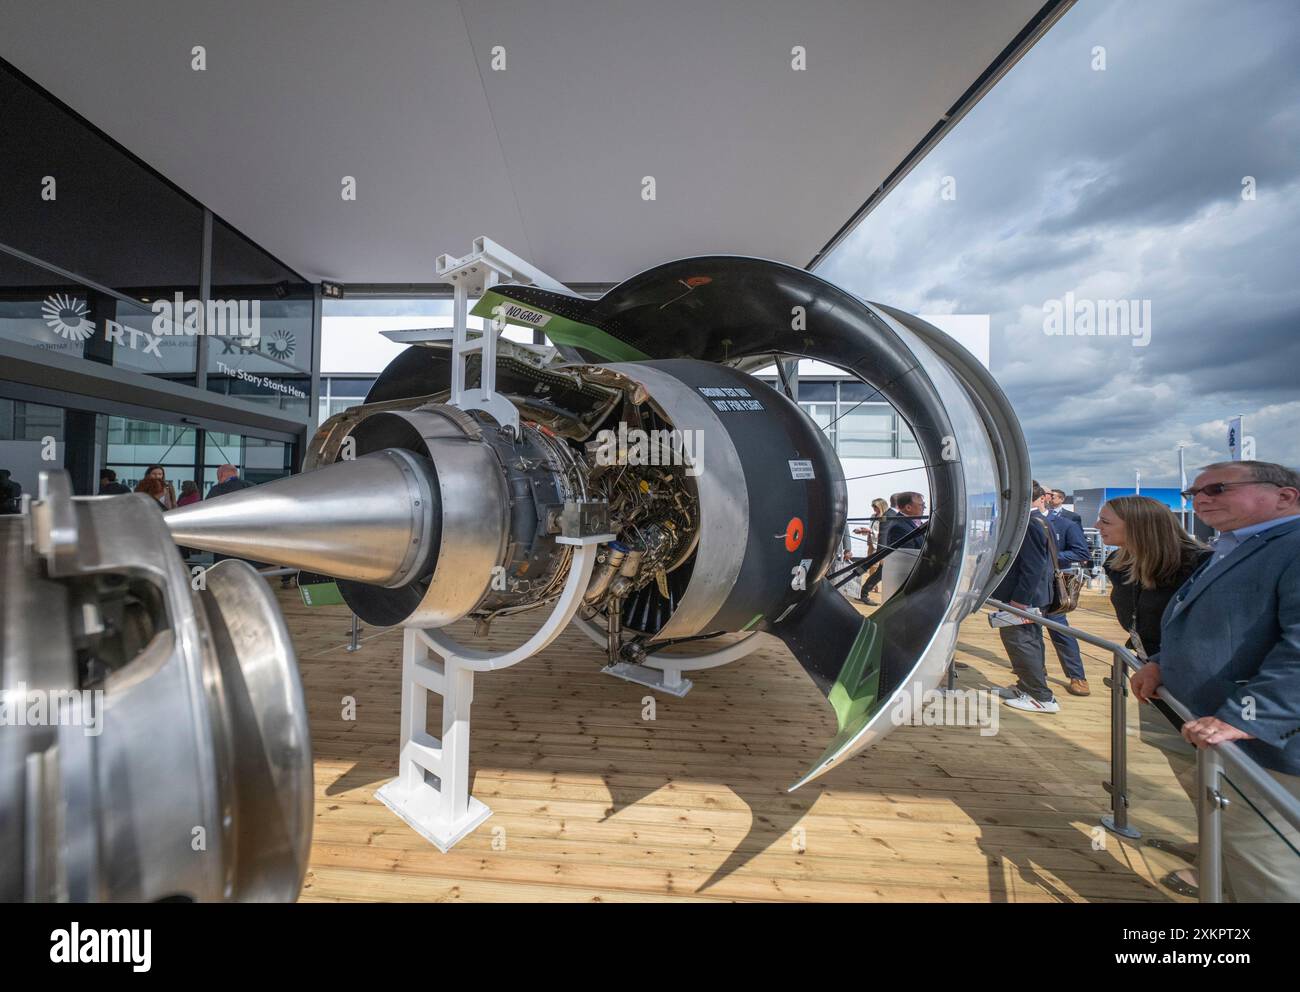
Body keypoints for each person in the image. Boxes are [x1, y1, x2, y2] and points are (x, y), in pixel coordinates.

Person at [1131, 460, 1300, 902]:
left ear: (1286, 496)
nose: (1201, 499)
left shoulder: (1292, 546)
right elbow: (1223, 623)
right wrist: (1164, 662)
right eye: (1194, 492)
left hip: (1264, 743)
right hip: (1209, 726)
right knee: (1236, 844)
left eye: (1219, 488)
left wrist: (1248, 719)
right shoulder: (1240, 544)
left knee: (1268, 865)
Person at [1097, 494, 1210, 895]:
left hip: (1196, 687)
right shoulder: (1123, 564)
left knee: (1216, 779)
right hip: (1158, 683)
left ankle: (1222, 868)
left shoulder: (1196, 566)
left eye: (1106, 521)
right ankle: (1213, 846)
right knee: (1190, 772)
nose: (1099, 527)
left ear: (1139, 526)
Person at [993, 482, 1058, 713]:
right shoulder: (1039, 520)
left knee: (1022, 643)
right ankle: (1028, 687)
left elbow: (1033, 566)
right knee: (1030, 642)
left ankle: (1039, 696)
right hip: (1030, 596)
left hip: (1022, 598)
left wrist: (1019, 601)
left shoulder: (1029, 524)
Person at [1041, 493, 1093, 695]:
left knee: (1060, 630)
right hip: (1029, 586)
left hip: (1054, 585)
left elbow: (1082, 553)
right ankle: (1036, 669)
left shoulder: (1066, 524)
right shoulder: (1024, 523)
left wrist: (1050, 556)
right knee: (1029, 630)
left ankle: (1077, 675)